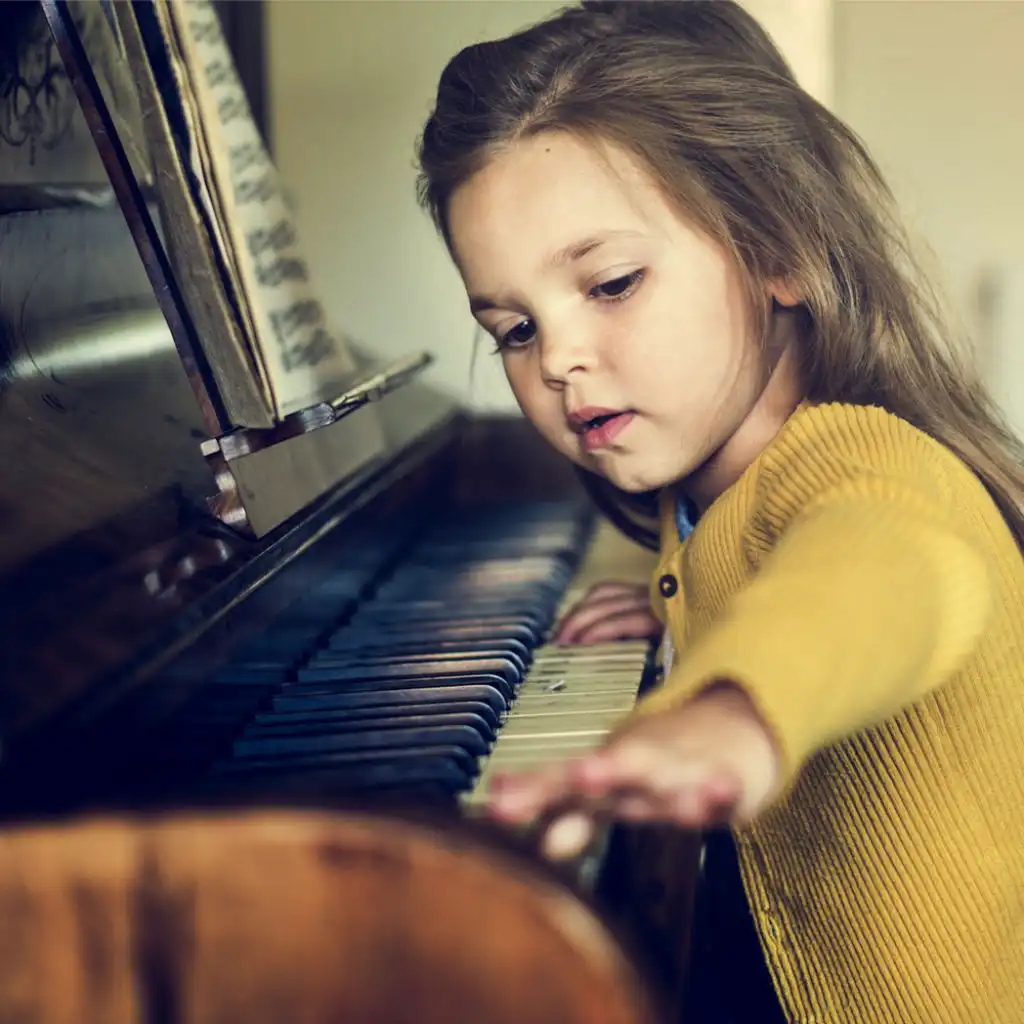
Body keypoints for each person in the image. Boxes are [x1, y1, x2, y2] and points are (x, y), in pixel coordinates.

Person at [415, 3, 1024, 1020]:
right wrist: (689, 611)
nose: (557, 358)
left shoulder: (868, 465)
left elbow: (881, 572)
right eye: (514, 329)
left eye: (609, 283)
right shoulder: (707, 491)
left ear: (778, 247)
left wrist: (734, 706)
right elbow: (766, 563)